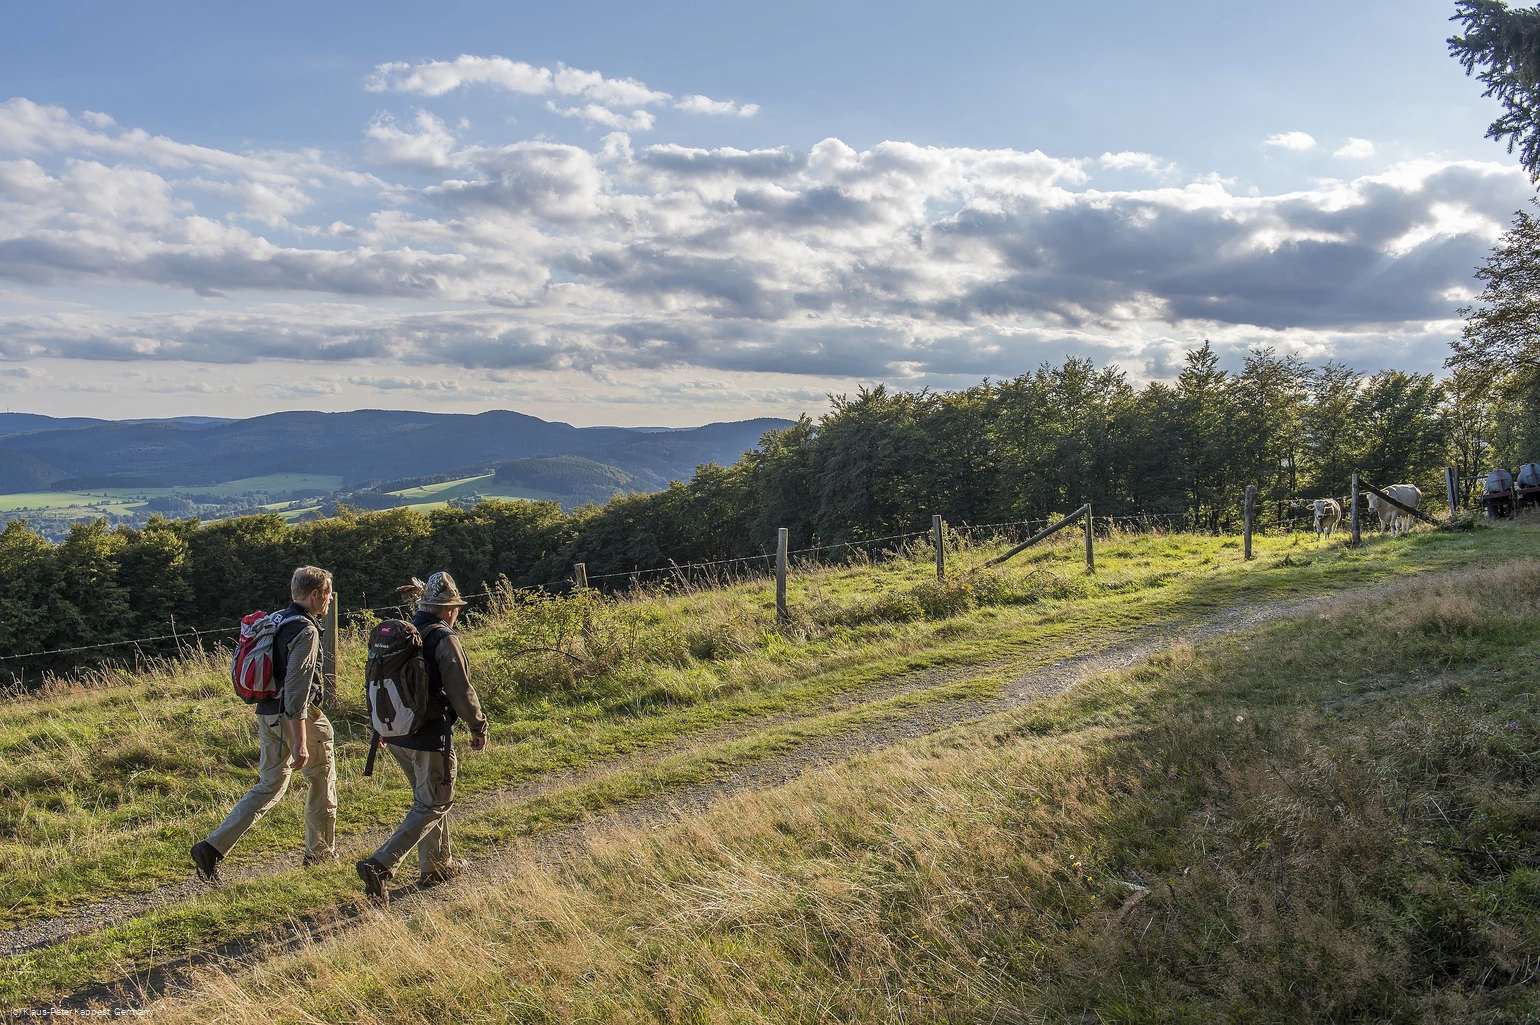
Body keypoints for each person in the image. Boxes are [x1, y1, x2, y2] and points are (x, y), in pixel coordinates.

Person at [191, 566, 338, 881]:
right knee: (321, 781)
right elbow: (297, 690)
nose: (328, 601)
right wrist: (299, 740)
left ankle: (211, 848)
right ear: (315, 595)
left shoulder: (275, 620)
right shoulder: (306, 630)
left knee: (270, 784)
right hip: (299, 718)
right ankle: (320, 856)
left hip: (267, 715)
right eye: (326, 594)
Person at [357, 570, 488, 903]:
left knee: (429, 797)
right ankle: (381, 864)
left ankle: (437, 867)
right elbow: (461, 690)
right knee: (434, 802)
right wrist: (477, 725)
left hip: (395, 733)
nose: (456, 613)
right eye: (455, 608)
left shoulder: (403, 635)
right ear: (447, 609)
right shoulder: (443, 638)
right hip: (429, 735)